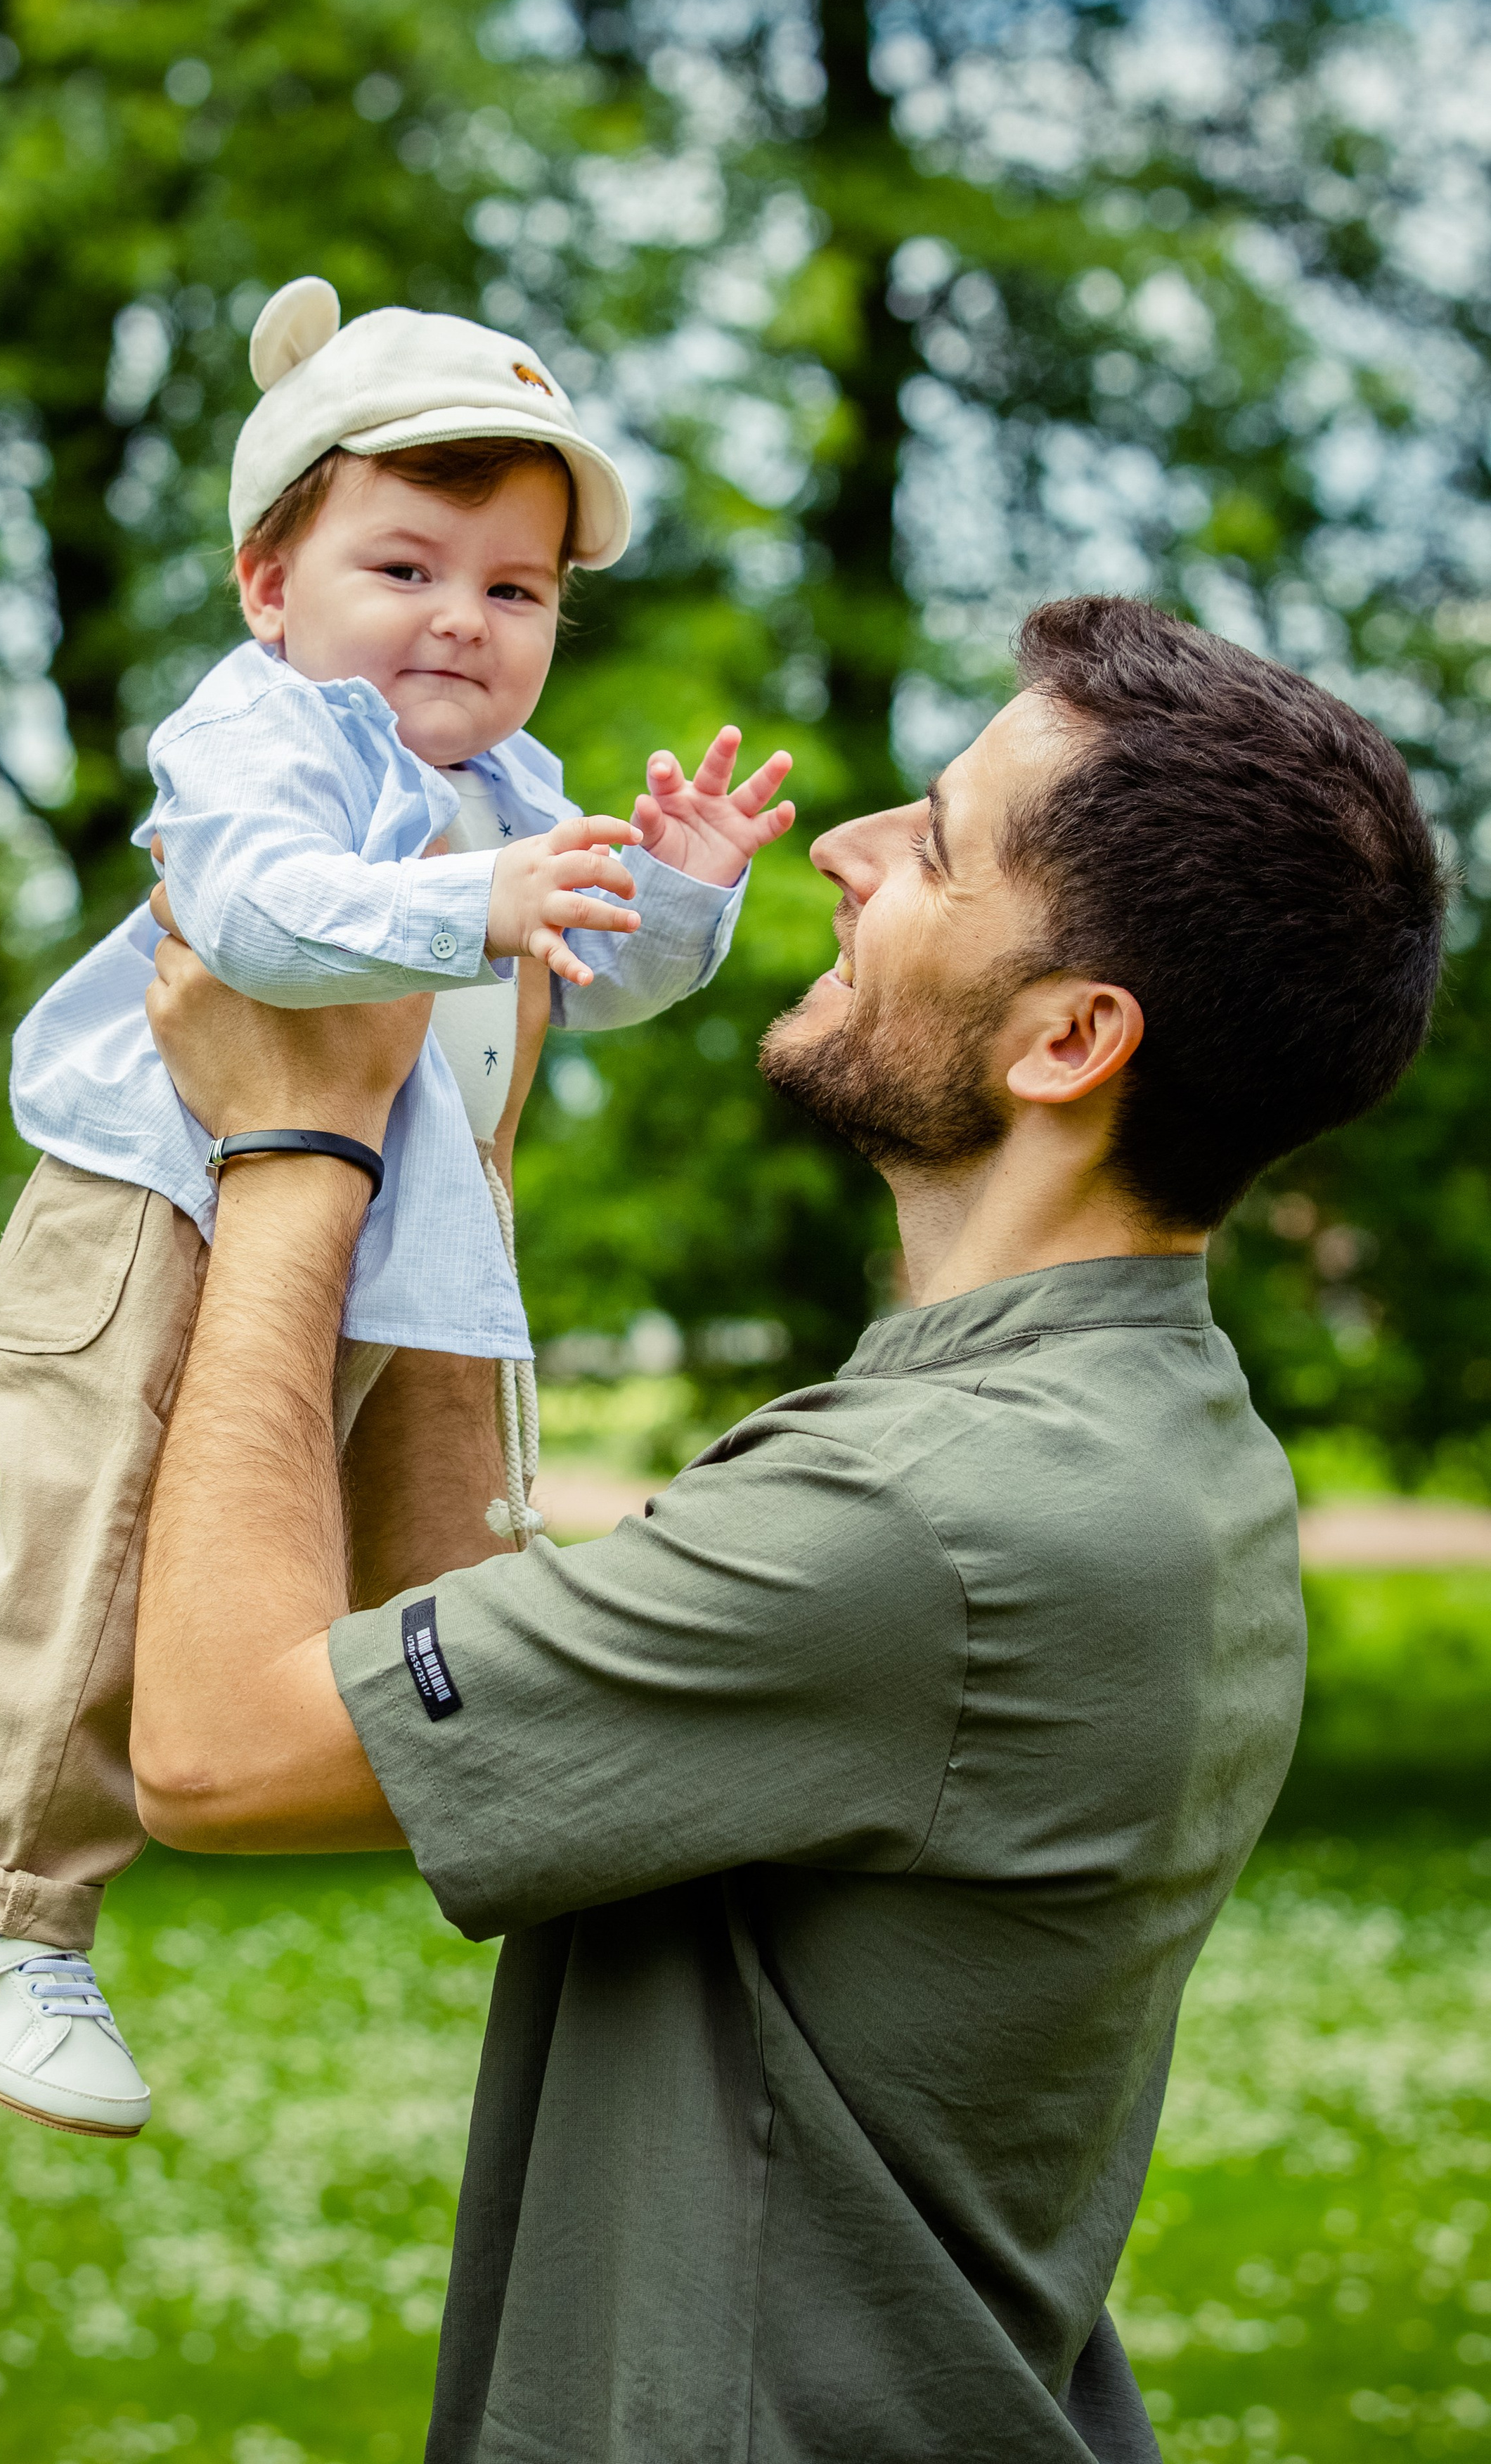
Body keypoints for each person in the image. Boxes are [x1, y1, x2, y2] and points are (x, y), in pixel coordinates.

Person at [126, 596, 1445, 2463]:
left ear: (1070, 1037)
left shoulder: (932, 1519)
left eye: (929, 839)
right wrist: (431, 1111)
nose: (838, 848)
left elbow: (217, 1748)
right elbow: (473, 1660)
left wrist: (290, 1154)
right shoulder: (1132, 1440)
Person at [0, 280, 794, 2138]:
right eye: (405, 569)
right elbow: (256, 918)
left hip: (324, 1243)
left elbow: (586, 964)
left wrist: (684, 901)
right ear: (271, 586)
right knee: (116, 1550)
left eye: (516, 591)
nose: (461, 623)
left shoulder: (507, 782)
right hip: (152, 1210)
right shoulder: (267, 739)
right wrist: (470, 906)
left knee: (127, 1542)